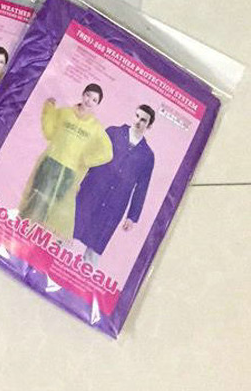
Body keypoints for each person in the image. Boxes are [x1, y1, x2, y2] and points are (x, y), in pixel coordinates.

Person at [18, 83, 112, 242]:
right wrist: (48, 110)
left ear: (97, 104)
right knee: (36, 198)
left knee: (53, 206)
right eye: (88, 95)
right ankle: (19, 230)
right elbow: (49, 133)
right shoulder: (65, 113)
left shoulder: (95, 128)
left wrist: (85, 159)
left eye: (94, 100)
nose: (89, 101)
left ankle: (33, 239)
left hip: (69, 172)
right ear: (83, 94)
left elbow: (107, 153)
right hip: (51, 162)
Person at [74, 104, 156, 264]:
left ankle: (84, 273)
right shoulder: (113, 133)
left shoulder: (147, 155)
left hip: (115, 204)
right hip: (91, 191)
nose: (138, 121)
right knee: (69, 229)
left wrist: (132, 217)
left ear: (149, 126)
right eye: (137, 116)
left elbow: (142, 187)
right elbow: (91, 157)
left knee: (95, 247)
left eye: (143, 120)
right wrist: (77, 182)